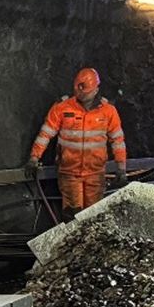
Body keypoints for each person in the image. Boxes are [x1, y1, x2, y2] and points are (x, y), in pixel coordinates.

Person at [25, 68, 127, 220]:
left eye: (85, 92)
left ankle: (92, 242)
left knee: (94, 214)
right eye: (78, 90)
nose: (80, 95)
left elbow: (117, 140)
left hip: (95, 173)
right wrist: (34, 157)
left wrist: (121, 167)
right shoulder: (62, 107)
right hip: (69, 172)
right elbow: (45, 134)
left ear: (96, 90)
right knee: (74, 214)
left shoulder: (108, 111)